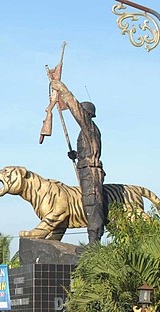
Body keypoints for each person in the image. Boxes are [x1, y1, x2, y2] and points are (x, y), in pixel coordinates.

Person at [47, 74, 105, 244]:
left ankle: (94, 243)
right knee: (87, 204)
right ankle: (93, 240)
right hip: (86, 169)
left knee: (92, 204)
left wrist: (63, 90)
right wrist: (77, 156)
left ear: (86, 114)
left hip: (91, 171)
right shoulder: (87, 132)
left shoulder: (89, 127)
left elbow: (75, 109)